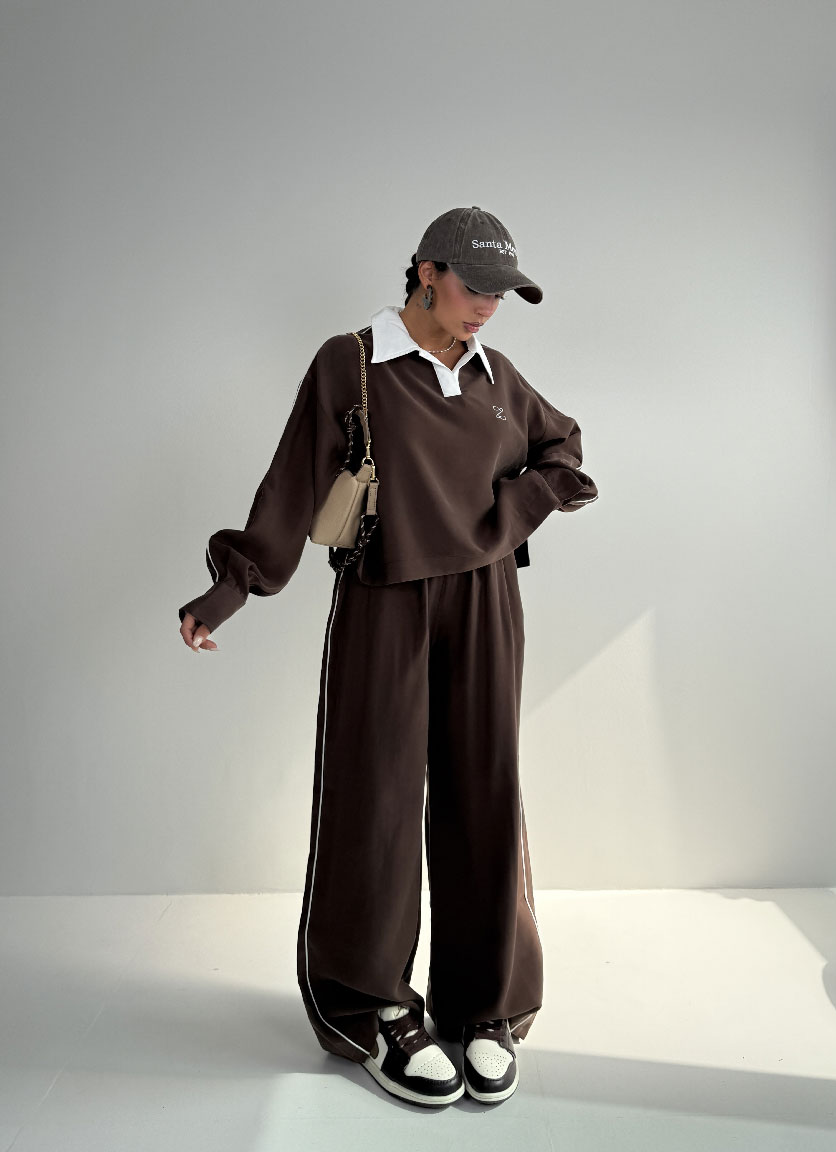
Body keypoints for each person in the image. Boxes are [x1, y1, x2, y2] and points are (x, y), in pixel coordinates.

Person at [178, 206, 599, 1108]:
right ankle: (369, 1007)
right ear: (426, 273)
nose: (487, 307)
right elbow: (294, 483)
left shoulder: (497, 375)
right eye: (475, 287)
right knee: (374, 799)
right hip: (384, 596)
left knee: (485, 790)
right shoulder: (353, 363)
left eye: (502, 295)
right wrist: (232, 586)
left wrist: (514, 513)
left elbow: (562, 450)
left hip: (487, 601)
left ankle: (483, 1005)